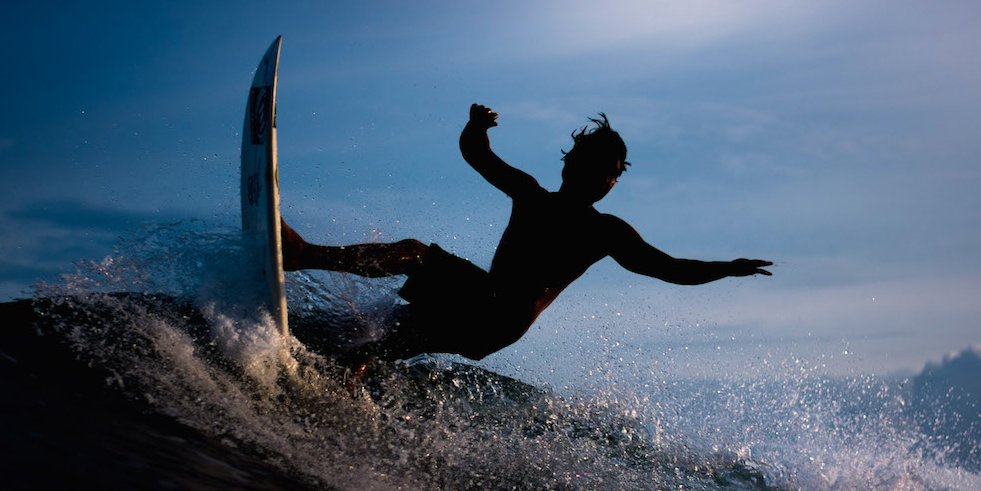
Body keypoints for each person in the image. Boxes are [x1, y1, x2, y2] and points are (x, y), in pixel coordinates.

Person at [281, 104, 772, 362]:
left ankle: (300, 254)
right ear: (571, 162)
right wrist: (477, 126)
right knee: (376, 348)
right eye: (597, 162)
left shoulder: (605, 231)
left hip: (499, 313)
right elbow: (478, 156)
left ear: (613, 182)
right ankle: (335, 393)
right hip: (487, 316)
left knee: (414, 253)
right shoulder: (530, 194)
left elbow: (668, 269)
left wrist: (726, 269)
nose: (604, 175)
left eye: (613, 171)